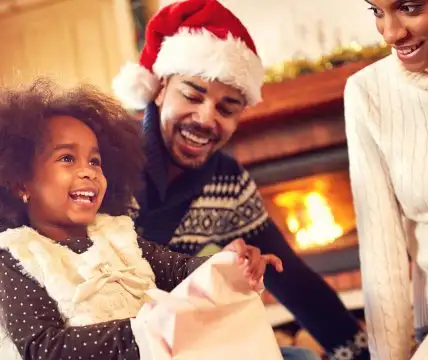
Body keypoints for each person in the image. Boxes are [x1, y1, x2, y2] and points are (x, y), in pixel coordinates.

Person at [112, 0, 369, 359]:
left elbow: (292, 279)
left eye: (226, 108)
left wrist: (363, 354)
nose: (206, 118)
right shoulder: (106, 163)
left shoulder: (229, 184)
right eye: (192, 95)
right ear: (159, 89)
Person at [0, 79, 283, 359]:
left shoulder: (117, 234)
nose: (88, 172)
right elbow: (42, 348)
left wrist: (230, 263)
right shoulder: (16, 256)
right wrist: (142, 332)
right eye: (67, 158)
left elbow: (179, 268)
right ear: (21, 182)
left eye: (95, 161)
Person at [343, 0, 428, 359]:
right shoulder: (367, 92)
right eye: (375, 10)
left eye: (410, 7)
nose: (390, 33)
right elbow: (380, 250)